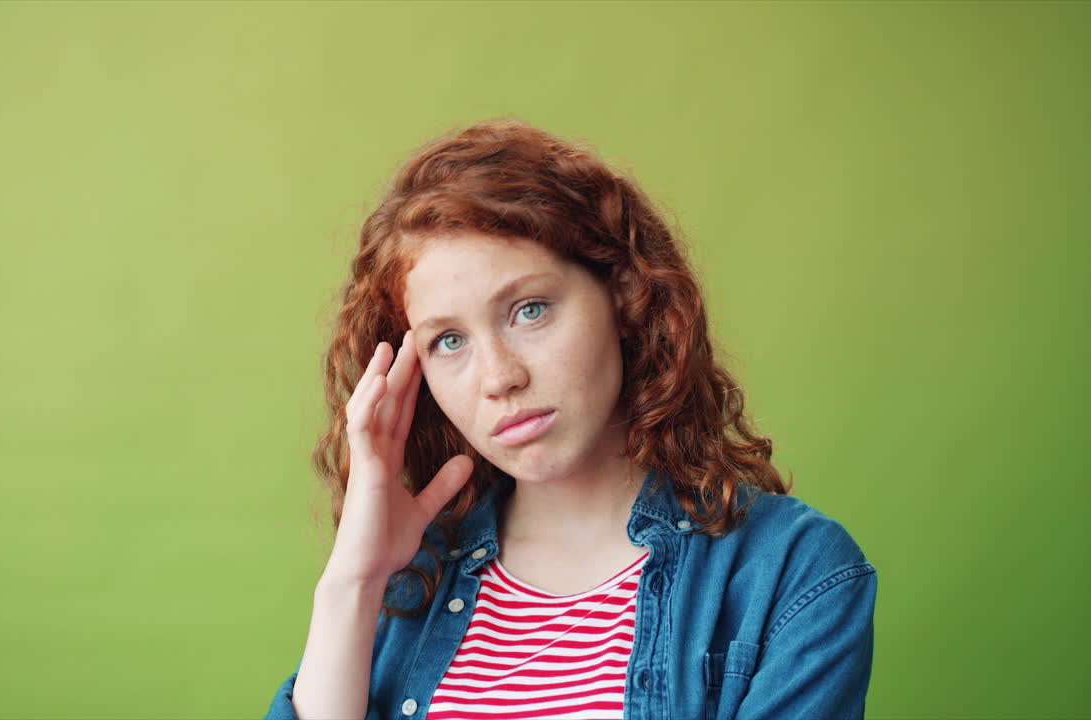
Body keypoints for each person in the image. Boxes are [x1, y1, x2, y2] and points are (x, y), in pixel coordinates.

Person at [263, 118, 877, 720]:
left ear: (624, 293)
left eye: (529, 310)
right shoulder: (408, 583)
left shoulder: (795, 572)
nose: (499, 378)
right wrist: (353, 583)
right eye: (448, 341)